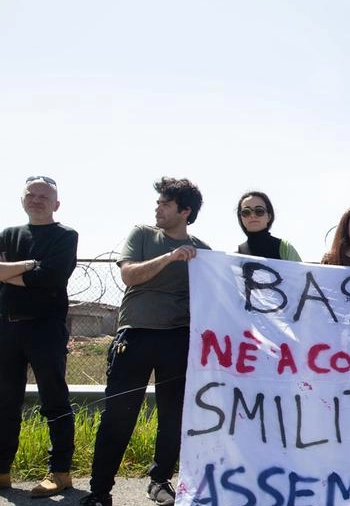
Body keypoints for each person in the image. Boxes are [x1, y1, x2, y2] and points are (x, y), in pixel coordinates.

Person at [80, 178, 210, 506]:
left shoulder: (202, 251)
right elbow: (129, 275)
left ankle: (160, 480)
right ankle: (99, 491)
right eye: (158, 203)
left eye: (165, 204)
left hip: (178, 340)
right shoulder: (142, 235)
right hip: (134, 336)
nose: (157, 208)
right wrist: (170, 258)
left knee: (172, 416)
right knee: (118, 416)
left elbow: (218, 293)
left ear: (185, 211)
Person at [0, 176, 78, 498]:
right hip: (6, 326)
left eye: (43, 196)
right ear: (22, 200)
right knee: (5, 402)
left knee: (54, 399)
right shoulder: (8, 234)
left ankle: (60, 473)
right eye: (30, 194)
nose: (36, 199)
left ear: (56, 203)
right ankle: (3, 469)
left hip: (45, 328)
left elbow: (53, 277)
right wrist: (32, 267)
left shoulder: (65, 235)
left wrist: (13, 273)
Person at [235, 191, 301, 260]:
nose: (252, 215)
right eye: (246, 212)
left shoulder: (286, 249)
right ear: (241, 218)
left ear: (269, 216)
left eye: (259, 211)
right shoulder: (235, 256)